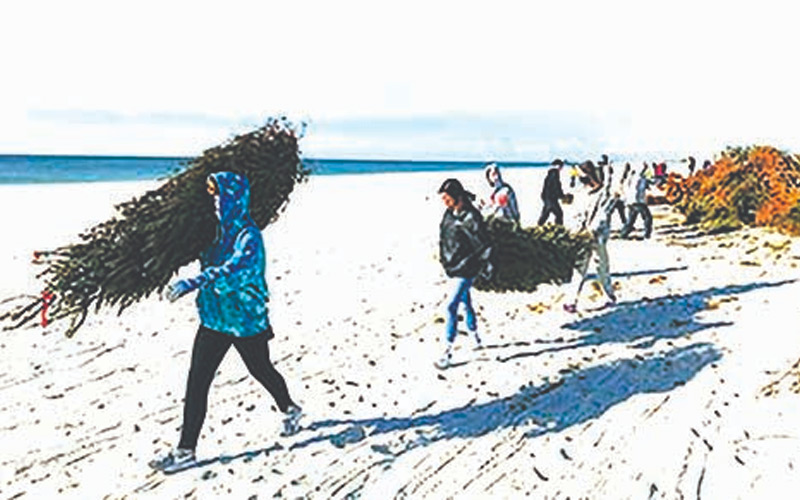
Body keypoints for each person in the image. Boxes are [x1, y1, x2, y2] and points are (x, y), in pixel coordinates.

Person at [149, 172, 302, 474]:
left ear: (235, 197)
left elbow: (234, 271)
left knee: (261, 370)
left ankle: (289, 408)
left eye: (220, 195)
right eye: (213, 196)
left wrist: (193, 282)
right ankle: (185, 450)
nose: (216, 202)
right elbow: (191, 252)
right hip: (214, 319)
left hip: (245, 322)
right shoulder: (214, 233)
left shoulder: (249, 236)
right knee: (198, 381)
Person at [437, 178, 491, 369]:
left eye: (446, 197)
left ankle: (447, 351)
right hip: (452, 267)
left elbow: (483, 244)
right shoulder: (449, 214)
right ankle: (475, 336)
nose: (444, 201)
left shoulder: (472, 217)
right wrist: (444, 260)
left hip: (467, 269)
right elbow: (444, 237)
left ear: (456, 196)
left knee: (451, 306)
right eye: (442, 198)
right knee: (466, 302)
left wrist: (485, 267)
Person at [563, 179, 619, 313]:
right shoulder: (583, 193)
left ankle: (607, 296)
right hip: (587, 236)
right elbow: (580, 215)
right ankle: (572, 300)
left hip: (595, 236)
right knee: (587, 268)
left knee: (596, 267)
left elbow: (603, 215)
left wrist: (588, 231)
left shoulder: (600, 194)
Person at [620, 165, 654, 239]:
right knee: (648, 217)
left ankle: (623, 234)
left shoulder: (631, 177)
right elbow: (648, 184)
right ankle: (647, 235)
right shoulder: (641, 179)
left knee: (631, 219)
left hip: (630, 201)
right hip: (638, 202)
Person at [538, 159, 566, 225]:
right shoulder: (554, 174)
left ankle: (539, 227)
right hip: (551, 198)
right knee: (559, 214)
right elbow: (556, 186)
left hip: (547, 197)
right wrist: (561, 196)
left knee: (546, 214)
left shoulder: (551, 173)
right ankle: (559, 229)